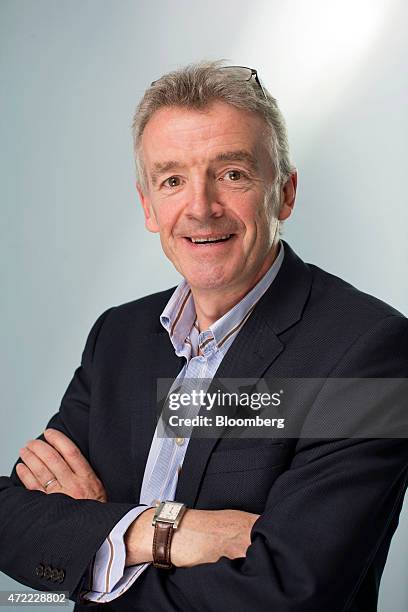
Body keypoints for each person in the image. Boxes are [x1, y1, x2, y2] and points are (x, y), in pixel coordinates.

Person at [1, 61, 407, 612]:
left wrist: (96, 539)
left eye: (232, 173)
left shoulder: (368, 352)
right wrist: (162, 530)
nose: (200, 206)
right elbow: (12, 517)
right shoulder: (117, 338)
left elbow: (288, 592)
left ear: (284, 194)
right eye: (172, 180)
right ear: (148, 206)